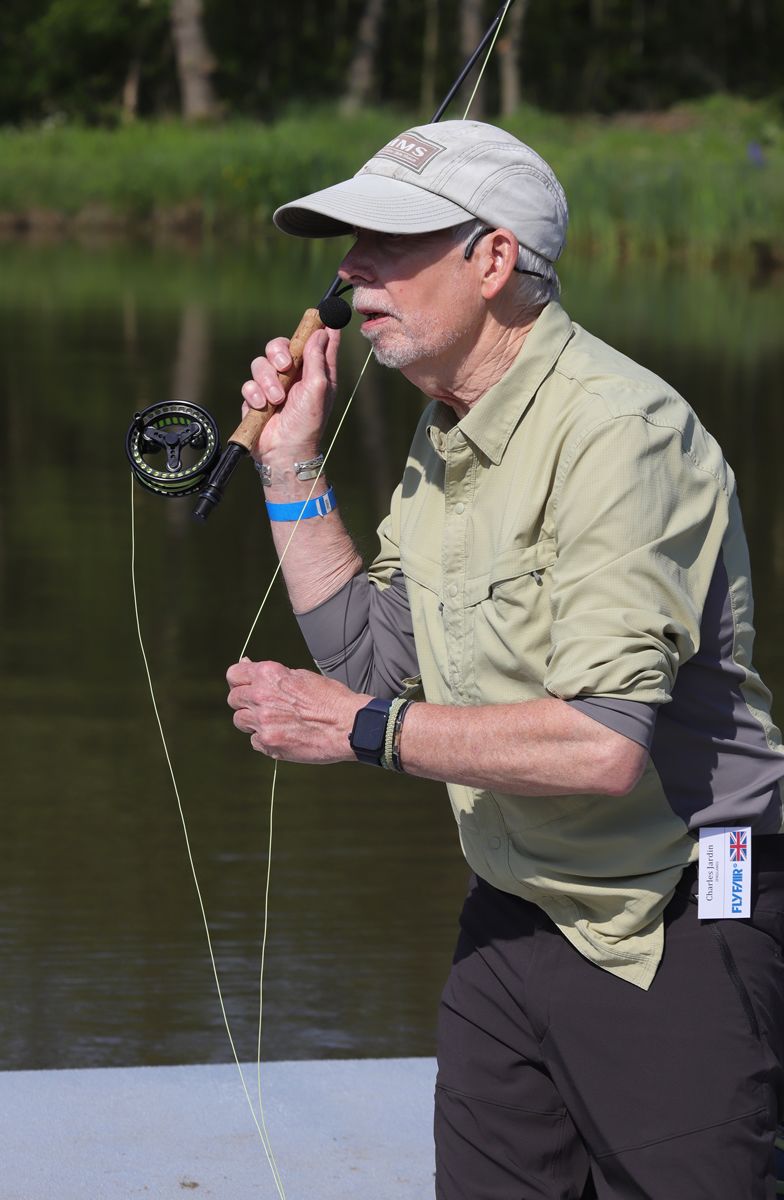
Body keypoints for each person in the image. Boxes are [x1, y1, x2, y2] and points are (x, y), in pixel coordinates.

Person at [226, 120, 784, 1198]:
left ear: (491, 261)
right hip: (514, 904)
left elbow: (602, 748)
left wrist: (357, 732)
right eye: (351, 244)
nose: (351, 270)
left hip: (678, 906)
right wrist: (289, 462)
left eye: (388, 242)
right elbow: (375, 658)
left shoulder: (621, 432)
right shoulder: (449, 430)